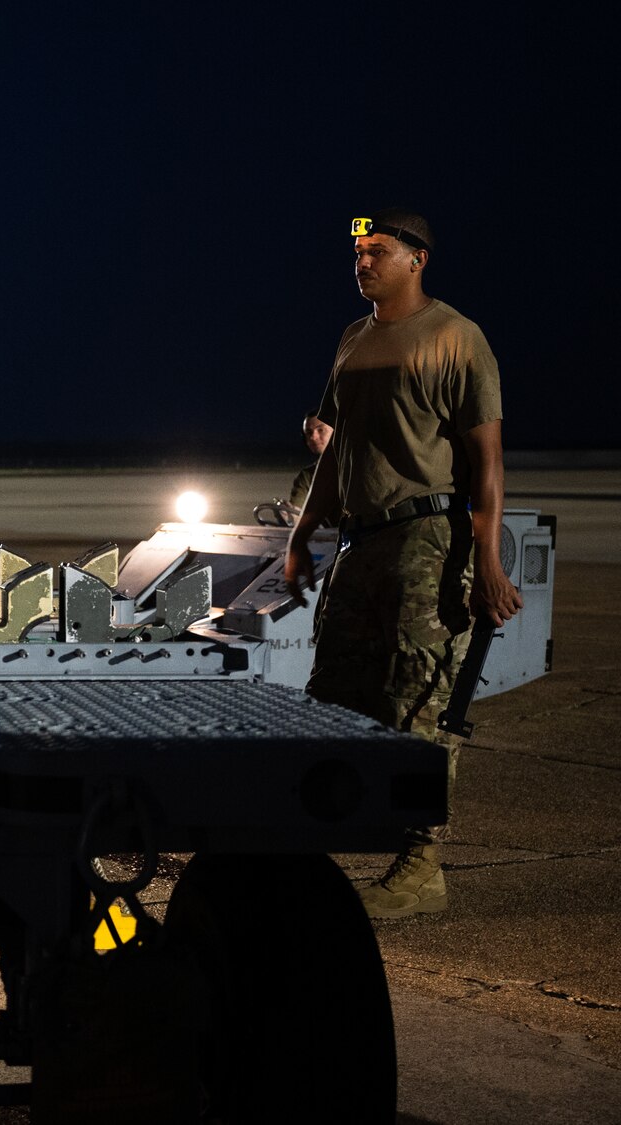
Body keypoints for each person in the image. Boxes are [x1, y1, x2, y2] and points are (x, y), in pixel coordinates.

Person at [283, 208, 522, 919]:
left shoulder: (457, 338)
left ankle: (421, 865)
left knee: (423, 698)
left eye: (377, 251)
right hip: (359, 542)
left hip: (427, 538)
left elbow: (487, 462)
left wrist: (487, 560)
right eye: (358, 251)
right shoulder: (353, 340)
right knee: (332, 697)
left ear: (417, 259)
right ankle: (308, 850)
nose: (362, 261)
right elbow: (336, 452)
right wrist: (302, 534)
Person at [286, 413, 334, 513]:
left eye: (321, 430)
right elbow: (297, 509)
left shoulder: (357, 469)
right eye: (308, 432)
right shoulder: (307, 475)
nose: (313, 437)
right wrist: (288, 515)